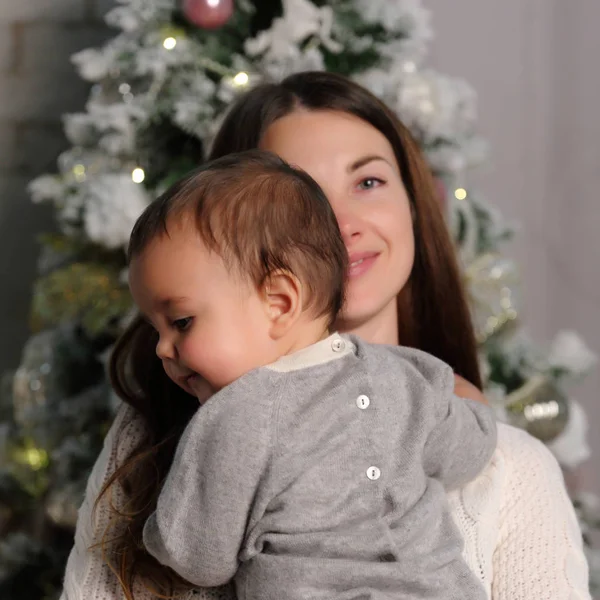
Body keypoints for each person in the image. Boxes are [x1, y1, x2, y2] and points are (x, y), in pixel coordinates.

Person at [59, 72, 590, 600]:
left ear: (412, 204)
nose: (339, 225)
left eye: (368, 182)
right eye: (302, 198)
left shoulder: (514, 469)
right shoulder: (148, 451)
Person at [127, 149, 496, 600]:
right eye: (156, 330)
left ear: (279, 303)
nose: (164, 348)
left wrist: (155, 537)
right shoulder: (405, 376)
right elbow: (467, 453)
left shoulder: (233, 418)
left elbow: (199, 559)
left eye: (181, 322)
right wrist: (469, 405)